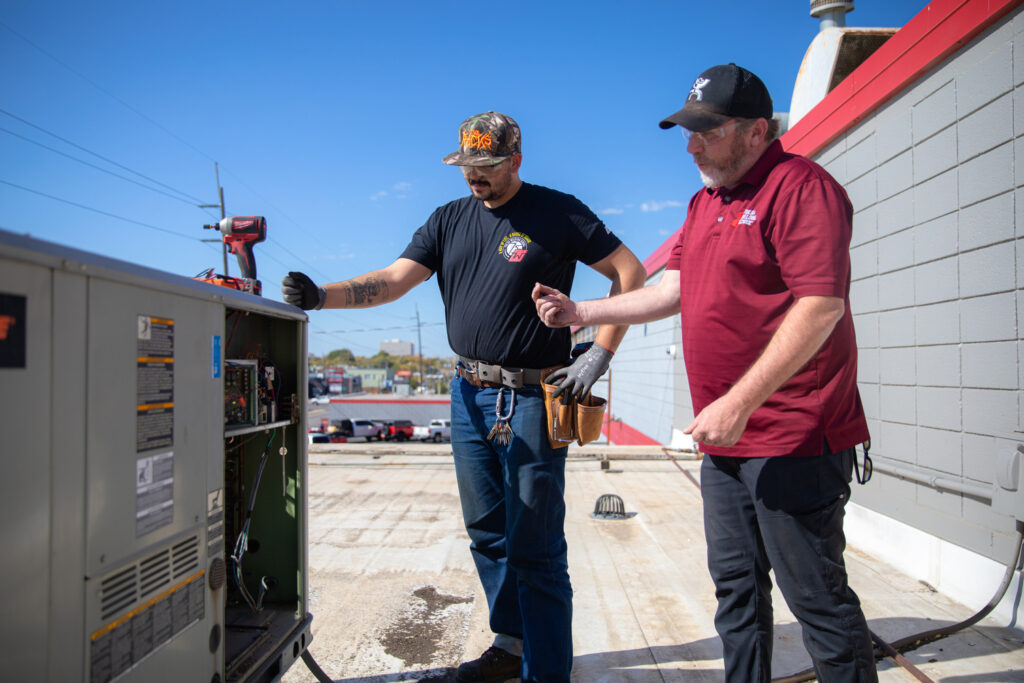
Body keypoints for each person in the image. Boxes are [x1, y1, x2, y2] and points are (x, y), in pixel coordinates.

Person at [532, 64, 878, 682]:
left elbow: (821, 304)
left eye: (707, 132)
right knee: (736, 593)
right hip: (725, 440)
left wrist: (740, 401)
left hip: (794, 438)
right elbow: (672, 291)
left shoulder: (801, 188)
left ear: (756, 131)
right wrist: (580, 311)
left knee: (818, 602)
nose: (690, 146)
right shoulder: (706, 200)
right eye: (686, 133)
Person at [282, 111, 646, 683]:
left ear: (516, 160)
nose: (475, 176)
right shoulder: (448, 220)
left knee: (537, 544)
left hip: (534, 398)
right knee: (487, 530)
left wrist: (600, 352)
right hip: (468, 393)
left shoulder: (558, 212)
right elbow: (394, 279)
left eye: (487, 165)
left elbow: (629, 271)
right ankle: (510, 645)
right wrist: (321, 296)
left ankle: (546, 671)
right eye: (467, 166)